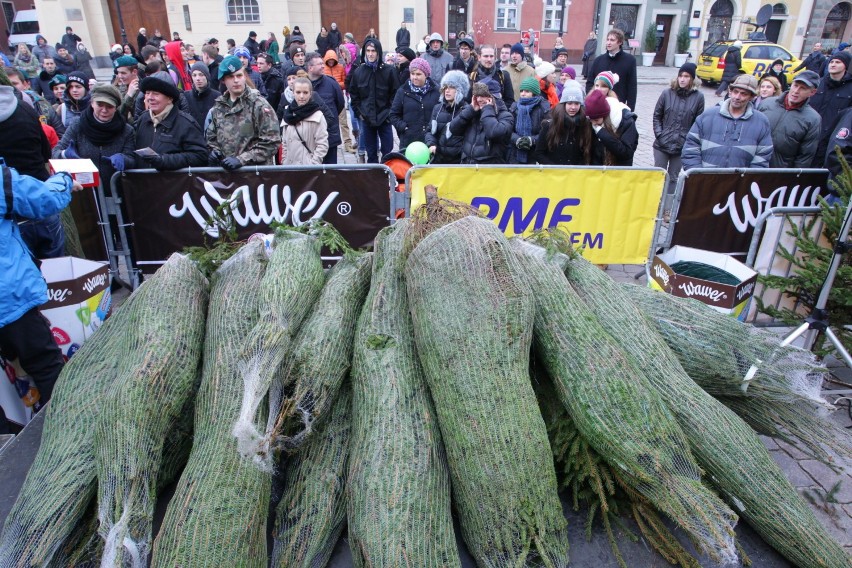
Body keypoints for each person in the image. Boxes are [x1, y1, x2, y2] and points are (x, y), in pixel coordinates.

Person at [0, 164, 81, 429]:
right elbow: (45, 200)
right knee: (47, 367)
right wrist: (64, 180)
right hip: (9, 300)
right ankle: (65, 434)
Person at [682, 74, 773, 169]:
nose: (737, 97)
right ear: (730, 91)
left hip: (739, 182)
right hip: (705, 180)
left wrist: (748, 180)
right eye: (735, 92)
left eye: (743, 94)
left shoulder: (761, 121)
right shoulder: (708, 116)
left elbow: (763, 155)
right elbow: (691, 146)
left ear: (752, 97)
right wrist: (698, 174)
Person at [207, 55, 280, 168]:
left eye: (239, 75)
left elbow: (272, 141)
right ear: (223, 80)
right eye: (231, 77)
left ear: (245, 76)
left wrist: (242, 159)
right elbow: (211, 137)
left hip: (254, 174)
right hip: (227, 176)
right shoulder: (219, 107)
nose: (236, 80)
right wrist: (214, 151)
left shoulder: (258, 104)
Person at [127, 75, 207, 170]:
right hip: (144, 182)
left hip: (173, 183)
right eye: (147, 93)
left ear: (169, 99)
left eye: (156, 94)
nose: (150, 98)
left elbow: (200, 156)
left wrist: (164, 160)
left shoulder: (185, 123)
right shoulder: (143, 119)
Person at [653, 62, 705, 208]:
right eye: (680, 76)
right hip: (662, 144)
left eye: (686, 76)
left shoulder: (698, 97)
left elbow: (698, 122)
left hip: (682, 145)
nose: (682, 79)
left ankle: (667, 208)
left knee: (674, 177)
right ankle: (655, 205)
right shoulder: (667, 93)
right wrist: (660, 134)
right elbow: (657, 115)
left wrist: (689, 141)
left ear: (692, 79)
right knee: (659, 174)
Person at [348, 38, 400, 163]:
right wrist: (360, 114)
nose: (370, 54)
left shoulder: (389, 71)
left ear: (378, 52)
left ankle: (387, 175)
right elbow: (354, 95)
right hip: (366, 118)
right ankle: (373, 177)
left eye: (373, 51)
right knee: (371, 151)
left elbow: (396, 94)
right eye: (368, 51)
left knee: (388, 149)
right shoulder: (359, 71)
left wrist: (389, 114)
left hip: (384, 117)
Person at [759, 70, 822, 168]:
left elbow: (805, 156)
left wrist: (793, 178)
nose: (796, 91)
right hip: (754, 166)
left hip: (780, 172)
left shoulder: (813, 119)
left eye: (803, 88)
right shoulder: (767, 103)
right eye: (795, 85)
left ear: (812, 92)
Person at [449, 80, 514, 164]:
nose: (479, 99)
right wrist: (470, 110)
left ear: (493, 97)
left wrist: (487, 109)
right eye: (477, 96)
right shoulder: (472, 113)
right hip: (468, 166)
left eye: (483, 96)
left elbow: (493, 133)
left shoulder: (506, 116)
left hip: (489, 169)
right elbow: (453, 129)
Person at [808, 50, 852, 167]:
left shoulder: (850, 88)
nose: (833, 64)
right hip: (812, 136)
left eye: (837, 62)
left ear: (845, 66)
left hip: (833, 140)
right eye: (831, 61)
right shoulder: (819, 83)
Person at [535, 81, 593, 165]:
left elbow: (587, 152)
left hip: (576, 174)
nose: (573, 107)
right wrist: (555, 169)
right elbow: (539, 153)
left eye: (576, 103)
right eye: (569, 103)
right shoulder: (549, 125)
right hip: (553, 174)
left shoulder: (585, 124)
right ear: (563, 104)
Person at [390, 57, 440, 150]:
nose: (415, 77)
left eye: (418, 74)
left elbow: (441, 113)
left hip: (430, 141)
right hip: (408, 141)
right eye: (412, 74)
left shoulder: (436, 91)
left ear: (426, 75)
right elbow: (393, 115)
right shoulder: (402, 91)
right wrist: (404, 127)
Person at [279, 76, 329, 165]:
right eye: (298, 92)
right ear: (293, 93)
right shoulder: (288, 113)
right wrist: (284, 161)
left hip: (308, 168)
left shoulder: (317, 116)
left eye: (305, 92)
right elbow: (285, 142)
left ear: (310, 94)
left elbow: (322, 144)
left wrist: (313, 164)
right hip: (289, 167)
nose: (301, 96)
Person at [306, 51, 344, 163]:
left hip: (329, 135)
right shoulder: (303, 85)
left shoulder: (331, 83)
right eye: (319, 64)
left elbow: (340, 103)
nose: (323, 66)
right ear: (310, 67)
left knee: (330, 173)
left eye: (323, 63)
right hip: (310, 138)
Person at [585, 29, 637, 111]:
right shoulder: (598, 60)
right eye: (608, 39)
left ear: (619, 42)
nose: (608, 43)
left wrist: (630, 109)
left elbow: (632, 86)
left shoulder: (630, 60)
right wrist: (592, 99)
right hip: (599, 104)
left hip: (618, 105)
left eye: (612, 40)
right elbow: (590, 82)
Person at [426, 69, 469, 164]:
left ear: (460, 90)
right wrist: (431, 144)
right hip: (438, 159)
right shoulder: (437, 108)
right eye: (445, 87)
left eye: (452, 87)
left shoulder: (466, 110)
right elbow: (430, 131)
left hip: (458, 162)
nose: (447, 91)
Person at [585, 89, 638, 166]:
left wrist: (602, 133)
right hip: (598, 169)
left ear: (605, 116)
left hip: (619, 169)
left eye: (596, 120)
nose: (593, 124)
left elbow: (626, 153)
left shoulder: (627, 121)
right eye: (591, 120)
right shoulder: (592, 121)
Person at [509, 76, 550, 164]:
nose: (523, 94)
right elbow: (508, 129)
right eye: (521, 91)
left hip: (536, 154)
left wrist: (531, 140)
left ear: (534, 93)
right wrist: (517, 140)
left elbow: (548, 131)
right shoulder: (514, 107)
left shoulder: (544, 108)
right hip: (515, 154)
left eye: (527, 91)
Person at [184, 62, 219, 130]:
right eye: (194, 75)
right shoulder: (185, 97)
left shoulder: (217, 97)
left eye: (201, 75)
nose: (198, 78)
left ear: (207, 76)